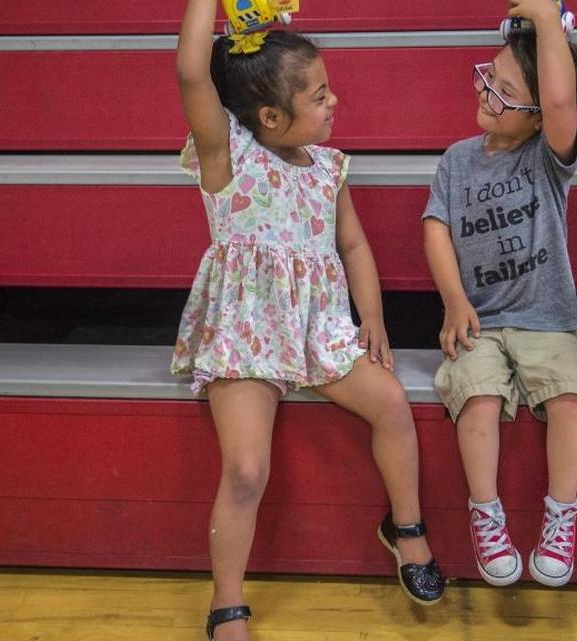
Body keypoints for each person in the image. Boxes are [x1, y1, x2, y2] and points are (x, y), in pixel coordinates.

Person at [172, 1, 445, 638]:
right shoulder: (227, 157)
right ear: (270, 117)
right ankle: (227, 604)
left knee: (394, 403)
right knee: (246, 469)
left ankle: (405, 528)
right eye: (319, 96)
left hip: (319, 329)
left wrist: (371, 314)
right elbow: (191, 72)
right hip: (247, 333)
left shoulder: (330, 169)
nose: (334, 102)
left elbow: (351, 245)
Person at [421, 0, 577, 589]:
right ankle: (486, 514)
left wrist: (548, 22)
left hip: (548, 319)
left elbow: (557, 101)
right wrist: (453, 299)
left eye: (501, 90)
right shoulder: (456, 160)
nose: (484, 92)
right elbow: (437, 227)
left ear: (533, 114)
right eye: (486, 78)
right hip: (479, 321)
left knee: (570, 397)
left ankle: (560, 515)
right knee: (475, 397)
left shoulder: (550, 157)